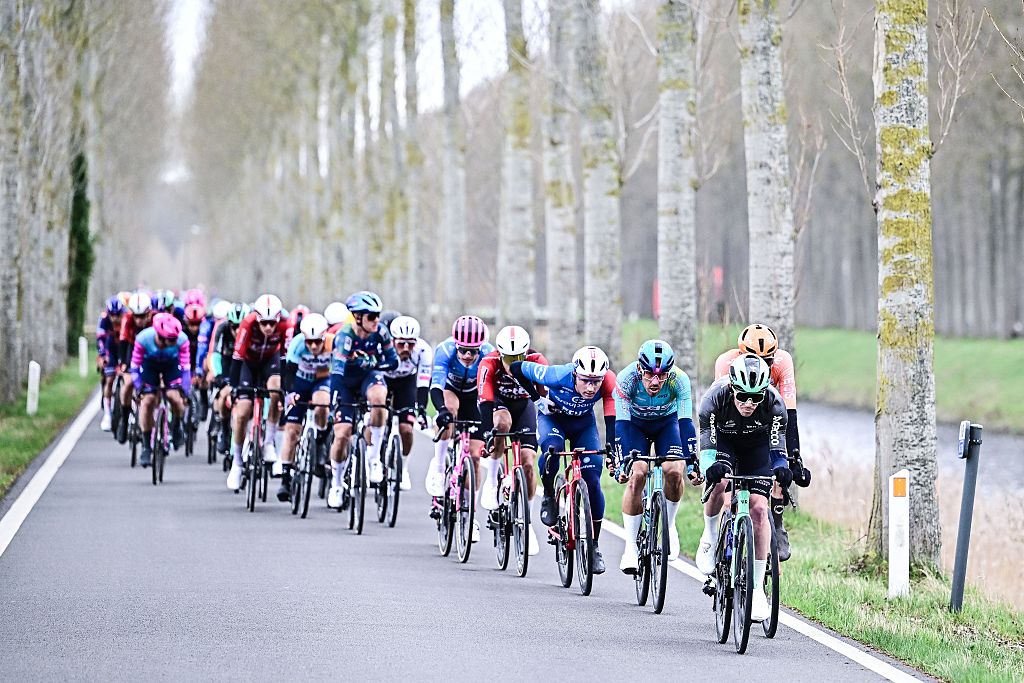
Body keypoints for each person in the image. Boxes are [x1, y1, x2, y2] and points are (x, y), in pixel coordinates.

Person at [697, 354, 791, 623]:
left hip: (757, 447)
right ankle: (710, 535)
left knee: (760, 509)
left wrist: (782, 467)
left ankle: (757, 587)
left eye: (755, 398)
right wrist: (709, 467)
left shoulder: (774, 403)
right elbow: (707, 445)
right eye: (743, 397)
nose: (749, 404)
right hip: (724, 444)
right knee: (720, 482)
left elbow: (777, 446)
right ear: (731, 389)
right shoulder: (713, 399)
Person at [510, 346, 616, 574]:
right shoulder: (557, 375)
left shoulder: (608, 381)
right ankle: (548, 493)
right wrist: (537, 400)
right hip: (553, 420)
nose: (591, 388)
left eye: (595, 382)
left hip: (583, 426)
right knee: (552, 450)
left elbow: (611, 417)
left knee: (593, 479)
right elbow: (516, 368)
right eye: (586, 380)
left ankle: (594, 545)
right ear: (575, 374)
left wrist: (613, 449)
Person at [713, 323, 810, 560]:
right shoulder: (726, 363)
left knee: (779, 465)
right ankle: (722, 542)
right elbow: (719, 412)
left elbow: (790, 415)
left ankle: (776, 523)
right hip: (734, 423)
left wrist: (794, 458)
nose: (762, 366)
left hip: (767, 422)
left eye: (768, 360)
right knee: (726, 488)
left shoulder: (783, 362)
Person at [611, 340, 698, 572]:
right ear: (640, 369)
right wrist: (622, 463)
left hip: (666, 424)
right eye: (650, 374)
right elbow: (620, 425)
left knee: (674, 471)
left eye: (662, 375)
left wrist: (691, 462)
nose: (656, 381)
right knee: (637, 474)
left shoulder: (679, 380)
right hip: (635, 426)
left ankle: (668, 527)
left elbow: (686, 423)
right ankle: (630, 546)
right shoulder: (626, 378)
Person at [477, 325, 545, 556]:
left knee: (528, 463)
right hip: (499, 404)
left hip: (524, 406)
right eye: (508, 357)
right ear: (499, 353)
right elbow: (485, 401)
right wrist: (488, 433)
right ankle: (492, 480)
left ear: (526, 354)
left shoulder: (537, 361)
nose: (512, 362)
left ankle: (527, 524)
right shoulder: (489, 363)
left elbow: (545, 396)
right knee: (503, 424)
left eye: (518, 358)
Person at [326, 291, 398, 509]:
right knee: (342, 435)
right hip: (345, 384)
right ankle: (337, 484)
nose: (377, 320)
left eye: (378, 315)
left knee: (379, 398)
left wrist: (370, 363)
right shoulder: (345, 337)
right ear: (357, 317)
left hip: (368, 378)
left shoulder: (381, 333)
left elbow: (392, 362)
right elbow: (337, 373)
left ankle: (374, 458)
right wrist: (335, 402)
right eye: (371, 316)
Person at [427, 315, 494, 542]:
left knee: (475, 457)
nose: (467, 356)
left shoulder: (489, 354)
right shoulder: (444, 350)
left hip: (475, 396)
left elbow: (489, 393)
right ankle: (438, 467)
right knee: (450, 411)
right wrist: (441, 410)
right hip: (451, 391)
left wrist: (487, 424)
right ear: (456, 344)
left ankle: (471, 515)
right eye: (463, 350)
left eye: (473, 351)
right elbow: (435, 385)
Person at [225, 294, 288, 491]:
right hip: (248, 364)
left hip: (270, 362)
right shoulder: (247, 323)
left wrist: (286, 390)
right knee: (243, 411)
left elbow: (286, 359)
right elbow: (237, 358)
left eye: (272, 323)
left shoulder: (286, 325)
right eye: (264, 323)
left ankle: (269, 442)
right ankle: (237, 462)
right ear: (257, 318)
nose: (268, 328)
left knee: (276, 388)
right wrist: (234, 388)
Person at [277, 313, 334, 502]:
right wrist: (290, 394)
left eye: (318, 342)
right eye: (310, 343)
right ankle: (285, 478)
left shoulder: (334, 343)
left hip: (321, 381)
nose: (314, 347)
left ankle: (319, 441)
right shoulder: (297, 344)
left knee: (322, 405)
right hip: (300, 382)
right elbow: (288, 374)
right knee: (292, 431)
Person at [130, 313, 190, 467]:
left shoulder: (182, 340)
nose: (174, 342)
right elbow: (135, 367)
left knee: (174, 397)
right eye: (171, 340)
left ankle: (176, 426)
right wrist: (139, 387)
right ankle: (146, 446)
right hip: (150, 365)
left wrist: (185, 390)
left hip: (171, 365)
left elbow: (185, 369)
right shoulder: (143, 339)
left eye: (175, 339)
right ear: (160, 337)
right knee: (148, 401)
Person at [382, 315, 433, 491]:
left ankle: (402, 468)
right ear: (393, 340)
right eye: (401, 343)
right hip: (384, 380)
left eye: (410, 344)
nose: (405, 348)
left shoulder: (423, 350)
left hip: (406, 383)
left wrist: (422, 408)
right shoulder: (383, 347)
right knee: (377, 418)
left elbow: (423, 381)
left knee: (406, 428)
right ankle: (371, 459)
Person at [209, 303, 248, 454]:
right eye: (234, 327)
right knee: (223, 395)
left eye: (241, 326)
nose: (238, 331)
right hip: (227, 364)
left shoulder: (250, 331)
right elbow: (215, 355)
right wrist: (218, 374)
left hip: (244, 366)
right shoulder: (222, 329)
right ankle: (224, 431)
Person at [116, 292, 154, 444]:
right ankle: (124, 420)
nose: (139, 320)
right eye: (136, 316)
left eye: (142, 316)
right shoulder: (127, 319)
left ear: (149, 313)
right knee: (128, 384)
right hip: (132, 350)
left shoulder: (155, 322)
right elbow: (124, 344)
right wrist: (124, 365)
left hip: (150, 353)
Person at [96, 296, 125, 432]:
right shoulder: (103, 319)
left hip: (123, 349)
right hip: (110, 349)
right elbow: (100, 340)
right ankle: (107, 414)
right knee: (109, 379)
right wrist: (102, 356)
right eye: (112, 315)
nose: (114, 318)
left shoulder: (126, 318)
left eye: (117, 315)